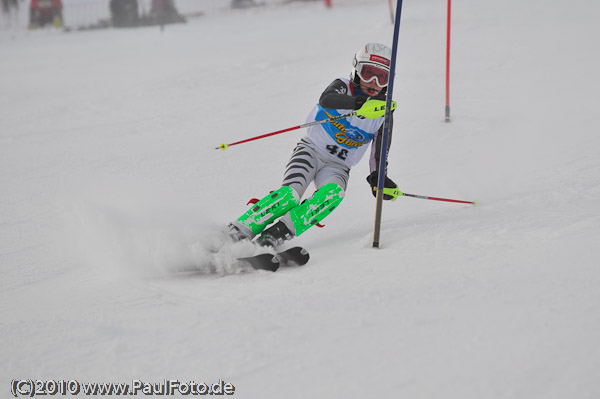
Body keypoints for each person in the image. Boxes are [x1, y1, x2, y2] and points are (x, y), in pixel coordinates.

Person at [229, 42, 400, 247]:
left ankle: (273, 238)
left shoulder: (384, 112)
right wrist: (359, 104)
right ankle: (237, 231)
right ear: (356, 70)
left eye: (382, 77)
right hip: (311, 151)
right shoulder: (343, 86)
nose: (373, 82)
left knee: (332, 195)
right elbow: (326, 99)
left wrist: (378, 178)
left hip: (338, 167)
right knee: (289, 195)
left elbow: (379, 152)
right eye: (368, 73)